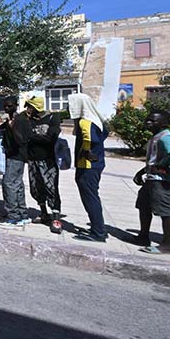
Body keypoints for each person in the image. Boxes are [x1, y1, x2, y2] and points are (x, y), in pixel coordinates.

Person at [133, 110, 170, 255]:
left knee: (165, 211)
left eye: (153, 121)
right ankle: (143, 237)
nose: (148, 123)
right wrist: (142, 172)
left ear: (163, 123)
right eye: (147, 119)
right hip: (152, 178)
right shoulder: (156, 137)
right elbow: (157, 159)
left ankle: (167, 245)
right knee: (144, 206)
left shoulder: (167, 137)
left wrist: (167, 170)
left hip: (162, 181)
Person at [69, 93, 109, 243]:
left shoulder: (85, 122)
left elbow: (90, 138)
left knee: (90, 197)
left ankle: (98, 232)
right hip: (96, 164)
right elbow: (104, 134)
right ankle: (97, 227)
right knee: (92, 195)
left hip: (88, 165)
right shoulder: (95, 119)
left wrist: (86, 151)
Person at [23, 96, 63, 233]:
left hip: (47, 160)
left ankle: (56, 217)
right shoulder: (29, 120)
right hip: (32, 159)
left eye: (30, 106)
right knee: (36, 187)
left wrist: (31, 137)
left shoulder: (52, 118)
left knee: (51, 187)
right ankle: (43, 213)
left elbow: (51, 138)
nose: (28, 109)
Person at [0, 98, 31, 227]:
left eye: (9, 106)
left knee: (8, 184)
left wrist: (12, 128)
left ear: (16, 105)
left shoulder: (20, 120)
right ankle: (22, 214)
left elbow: (22, 140)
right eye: (5, 106)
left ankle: (13, 217)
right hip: (13, 156)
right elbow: (1, 129)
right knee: (18, 185)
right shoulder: (12, 119)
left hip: (16, 156)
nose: (6, 108)